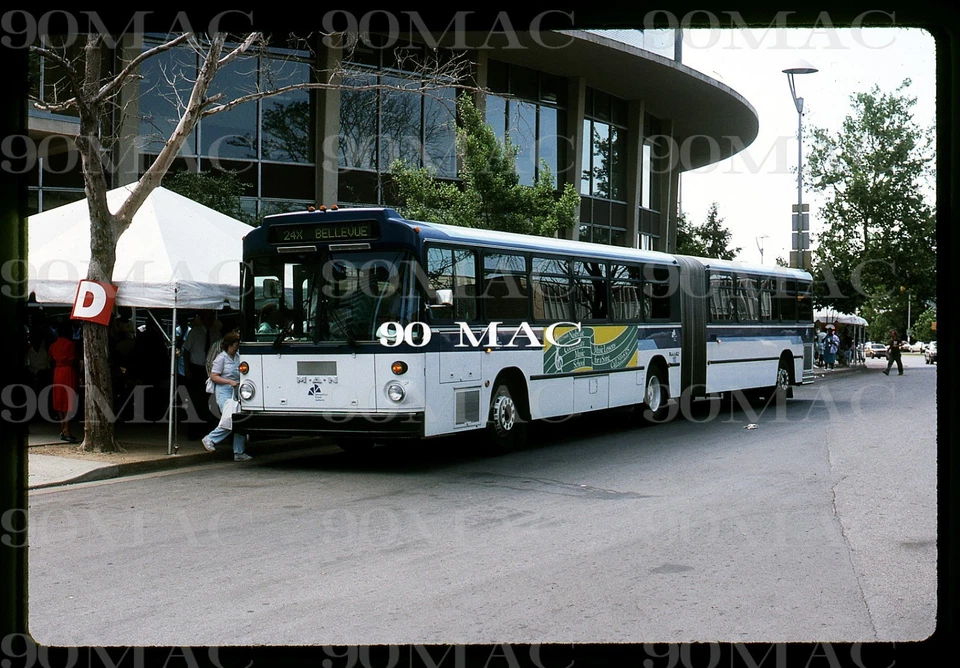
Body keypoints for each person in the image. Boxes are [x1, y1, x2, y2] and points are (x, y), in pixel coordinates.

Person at [201, 331, 252, 461]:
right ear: (229, 345)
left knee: (239, 419)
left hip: (236, 391)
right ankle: (210, 438)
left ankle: (239, 452)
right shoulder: (221, 358)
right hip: (223, 391)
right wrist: (229, 382)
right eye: (236, 344)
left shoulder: (238, 356)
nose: (238, 346)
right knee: (230, 417)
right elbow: (213, 376)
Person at [181, 310, 221, 438]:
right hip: (196, 368)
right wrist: (187, 369)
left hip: (210, 369)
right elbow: (186, 351)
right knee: (195, 400)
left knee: (209, 400)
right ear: (202, 319)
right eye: (207, 318)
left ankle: (207, 429)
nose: (209, 320)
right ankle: (194, 431)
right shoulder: (195, 332)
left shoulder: (215, 333)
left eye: (211, 318)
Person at [48, 321, 80, 442]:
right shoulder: (70, 344)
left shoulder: (53, 345)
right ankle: (66, 428)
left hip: (58, 372)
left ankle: (63, 428)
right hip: (67, 372)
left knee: (59, 400)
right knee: (68, 400)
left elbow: (50, 358)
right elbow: (73, 360)